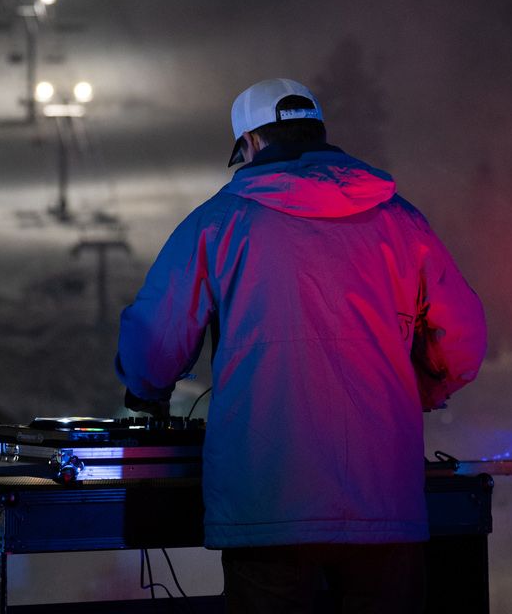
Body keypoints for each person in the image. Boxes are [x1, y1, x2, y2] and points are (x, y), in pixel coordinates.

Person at [115, 78, 486, 614]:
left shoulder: (219, 222)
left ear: (251, 145)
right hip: (385, 502)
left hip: (268, 504)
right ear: (318, 134)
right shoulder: (400, 220)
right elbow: (463, 340)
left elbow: (155, 345)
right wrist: (423, 389)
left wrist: (145, 395)